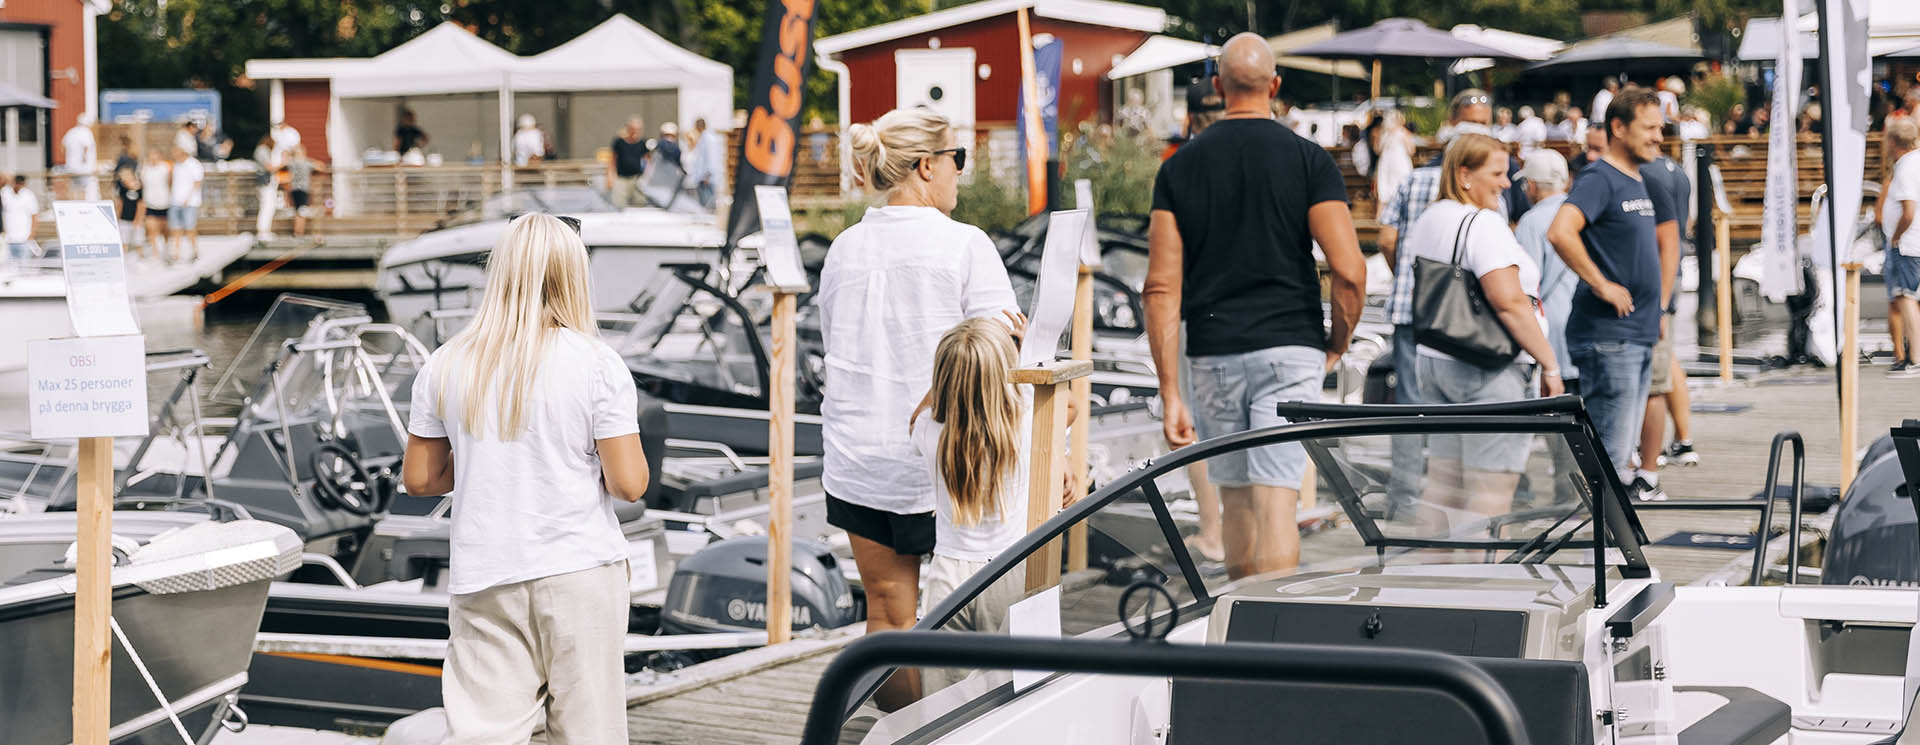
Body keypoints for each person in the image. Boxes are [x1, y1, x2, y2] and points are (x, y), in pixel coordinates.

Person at [402, 213, 649, 745]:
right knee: (590, 734)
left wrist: (485, 456)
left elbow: (420, 479)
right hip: (579, 569)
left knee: (481, 735)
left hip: (486, 574)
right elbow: (629, 485)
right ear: (573, 274)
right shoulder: (597, 364)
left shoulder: (445, 363)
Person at [815, 106, 1017, 709]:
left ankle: (900, 732)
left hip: (859, 456)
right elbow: (996, 354)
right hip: (948, 458)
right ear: (927, 165)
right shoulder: (966, 245)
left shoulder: (843, 249)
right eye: (958, 158)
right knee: (976, 609)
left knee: (886, 611)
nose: (961, 172)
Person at [1144, 33, 1365, 579]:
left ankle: (1239, 623)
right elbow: (1350, 271)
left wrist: (1170, 393)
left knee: (1236, 504)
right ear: (1275, 85)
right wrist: (1337, 342)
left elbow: (1161, 288)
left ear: (1219, 88)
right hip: (1290, 344)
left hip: (1214, 351)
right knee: (1277, 504)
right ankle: (1276, 627)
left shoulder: (1179, 168)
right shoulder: (1308, 159)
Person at [1399, 133, 1563, 528]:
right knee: (1490, 491)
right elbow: (1508, 301)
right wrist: (1550, 364)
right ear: (1465, 175)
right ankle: (1481, 567)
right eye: (1497, 173)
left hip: (1437, 358)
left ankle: (1432, 562)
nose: (1506, 184)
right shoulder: (1483, 223)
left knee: (1443, 485)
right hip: (1487, 368)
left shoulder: (1431, 217)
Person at [908, 318, 1043, 695]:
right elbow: (1071, 407)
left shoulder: (928, 432)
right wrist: (1029, 350)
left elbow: (918, 414)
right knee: (1015, 688)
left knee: (944, 700)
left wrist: (951, 367)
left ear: (943, 379)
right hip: (1009, 570)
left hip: (948, 578)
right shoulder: (1026, 426)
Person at [1547, 87, 1667, 479]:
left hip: (1636, 333)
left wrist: (1657, 309)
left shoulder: (1637, 178)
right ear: (1618, 127)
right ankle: (1597, 521)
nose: (1658, 137)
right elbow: (1560, 232)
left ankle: (1607, 517)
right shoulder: (1600, 177)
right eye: (1649, 128)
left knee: (1619, 453)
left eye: (1660, 128)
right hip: (1609, 337)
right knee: (1609, 458)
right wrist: (1601, 285)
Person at [1628, 150, 1691, 501]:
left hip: (1654, 287)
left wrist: (1659, 304)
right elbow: (1685, 225)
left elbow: (1669, 237)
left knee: (1657, 373)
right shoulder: (1677, 171)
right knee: (1667, 364)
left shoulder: (1643, 176)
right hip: (1667, 280)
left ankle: (1649, 462)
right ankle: (1683, 438)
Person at [1882, 117, 1920, 377]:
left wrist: (1896, 236)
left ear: (1894, 141)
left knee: (1906, 298)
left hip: (1906, 243)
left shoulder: (1906, 167)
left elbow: (1908, 211)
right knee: (1909, 299)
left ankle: (1914, 357)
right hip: (1912, 241)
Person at [168, 144, 204, 263]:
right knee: (175, 228)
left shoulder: (194, 164)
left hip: (190, 203)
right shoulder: (176, 165)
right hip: (175, 201)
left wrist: (188, 198)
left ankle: (195, 252)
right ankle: (176, 253)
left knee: (190, 228)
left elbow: (197, 182)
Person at [1374, 109, 1415, 209]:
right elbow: (1411, 150)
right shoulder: (1403, 133)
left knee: (1385, 191)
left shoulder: (1383, 134)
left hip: (1386, 163)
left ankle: (1381, 215)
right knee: (1400, 187)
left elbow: (1377, 150)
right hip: (1398, 162)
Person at [607, 117, 649, 208]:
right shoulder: (619, 142)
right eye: (633, 129)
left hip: (637, 178)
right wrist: (610, 176)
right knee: (618, 203)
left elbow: (647, 161)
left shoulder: (643, 143)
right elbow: (612, 160)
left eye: (638, 129)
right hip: (621, 178)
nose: (635, 132)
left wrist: (646, 177)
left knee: (641, 202)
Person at [684, 117, 726, 209]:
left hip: (706, 179)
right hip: (703, 178)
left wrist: (708, 175)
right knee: (704, 206)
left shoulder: (708, 139)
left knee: (707, 207)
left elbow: (711, 158)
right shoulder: (704, 138)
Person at [138, 148, 172, 253]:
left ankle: (166, 248)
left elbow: (170, 182)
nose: (153, 157)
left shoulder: (165, 167)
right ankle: (155, 253)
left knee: (165, 229)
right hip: (150, 203)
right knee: (151, 228)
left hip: (164, 203)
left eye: (155, 155)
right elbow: (142, 185)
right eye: (151, 155)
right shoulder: (144, 169)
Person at [1, 176, 39, 262]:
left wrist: (31, 236)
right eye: (16, 183)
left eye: (20, 183)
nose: (18, 185)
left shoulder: (29, 195)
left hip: (24, 240)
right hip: (8, 239)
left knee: (24, 266)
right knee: (8, 267)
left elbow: (34, 216)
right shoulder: (5, 193)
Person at [62, 113, 98, 200]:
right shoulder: (86, 132)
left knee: (73, 190)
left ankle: (72, 206)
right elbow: (86, 146)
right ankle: (82, 207)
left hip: (71, 167)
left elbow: (62, 147)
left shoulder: (70, 132)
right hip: (83, 169)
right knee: (83, 190)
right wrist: (84, 159)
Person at [115, 158, 144, 258]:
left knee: (138, 240)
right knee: (124, 240)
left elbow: (141, 205)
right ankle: (123, 256)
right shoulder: (122, 189)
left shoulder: (139, 188)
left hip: (135, 219)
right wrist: (118, 217)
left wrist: (138, 219)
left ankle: (140, 256)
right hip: (124, 218)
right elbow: (120, 204)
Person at [253, 140, 278, 239]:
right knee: (267, 206)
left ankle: (265, 230)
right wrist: (284, 162)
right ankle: (263, 231)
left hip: (266, 182)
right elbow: (269, 167)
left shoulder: (263, 150)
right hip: (264, 182)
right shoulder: (262, 150)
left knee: (269, 206)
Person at [287, 145, 314, 238]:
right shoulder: (306, 162)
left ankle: (297, 230)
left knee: (297, 210)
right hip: (303, 188)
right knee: (302, 210)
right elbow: (320, 166)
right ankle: (299, 231)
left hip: (294, 188)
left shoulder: (291, 163)